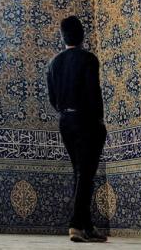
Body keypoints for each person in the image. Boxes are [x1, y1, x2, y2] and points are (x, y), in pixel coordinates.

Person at [46, 16, 108, 243]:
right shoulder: (89, 59)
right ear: (82, 35)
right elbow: (94, 92)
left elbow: (52, 98)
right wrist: (99, 122)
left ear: (63, 37)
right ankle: (75, 224)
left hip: (66, 121)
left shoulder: (54, 63)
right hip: (87, 120)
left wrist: (66, 112)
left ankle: (87, 226)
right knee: (86, 174)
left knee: (81, 174)